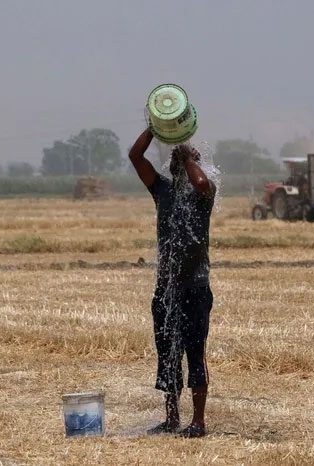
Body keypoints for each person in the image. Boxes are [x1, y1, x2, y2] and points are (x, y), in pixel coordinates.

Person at [128, 128, 216, 438]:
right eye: (175, 162)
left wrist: (186, 155)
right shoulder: (161, 190)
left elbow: (201, 181)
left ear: (195, 163)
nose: (178, 166)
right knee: (167, 353)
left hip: (195, 286)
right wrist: (154, 128)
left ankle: (199, 422)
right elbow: (135, 156)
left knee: (194, 353)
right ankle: (171, 418)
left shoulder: (205, 194)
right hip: (166, 289)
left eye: (187, 162)